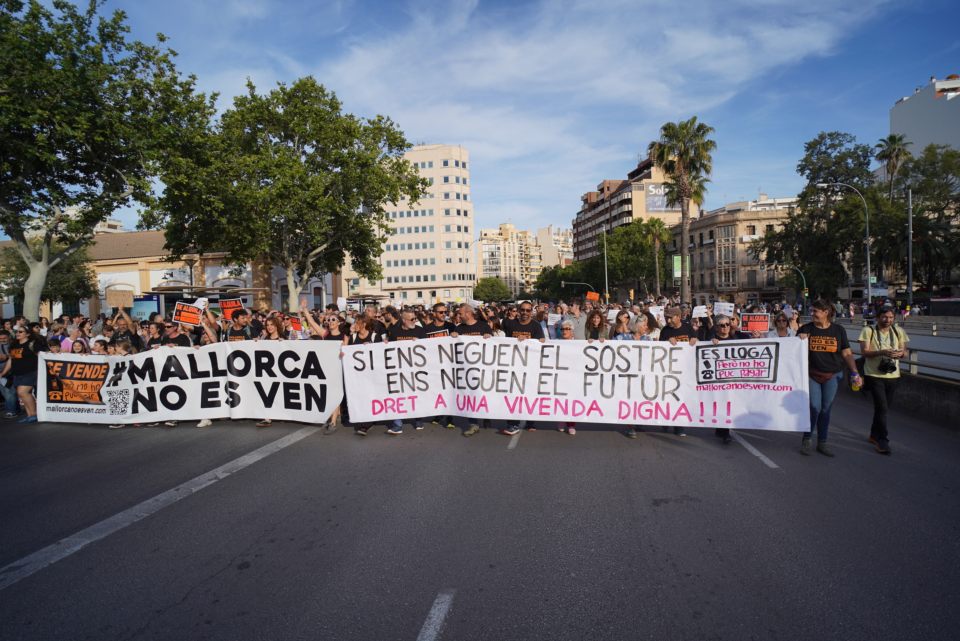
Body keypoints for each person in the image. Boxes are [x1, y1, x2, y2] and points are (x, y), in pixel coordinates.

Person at [798, 299, 861, 457]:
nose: (812, 314)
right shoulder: (806, 329)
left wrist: (855, 372)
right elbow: (793, 350)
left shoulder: (838, 330)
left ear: (826, 312)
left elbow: (846, 353)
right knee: (814, 407)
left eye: (815, 311)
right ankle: (807, 439)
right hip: (812, 374)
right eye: (812, 311)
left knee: (826, 409)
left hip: (832, 375)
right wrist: (799, 339)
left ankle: (823, 442)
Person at [858, 307, 909, 455]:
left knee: (883, 408)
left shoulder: (898, 331)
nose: (888, 320)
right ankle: (883, 441)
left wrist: (900, 353)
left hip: (893, 375)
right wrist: (882, 352)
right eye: (885, 317)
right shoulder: (868, 330)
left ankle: (874, 435)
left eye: (891, 317)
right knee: (882, 408)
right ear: (878, 317)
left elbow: (905, 352)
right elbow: (864, 352)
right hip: (873, 375)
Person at [499, 301, 545, 436]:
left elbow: (541, 343)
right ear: (519, 310)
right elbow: (504, 343)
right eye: (523, 310)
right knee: (513, 395)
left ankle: (531, 422)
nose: (525, 312)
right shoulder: (511, 324)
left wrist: (531, 340)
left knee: (529, 394)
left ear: (532, 312)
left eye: (528, 310)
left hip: (530, 367)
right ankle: (512, 424)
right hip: (513, 366)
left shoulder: (536, 326)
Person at [385, 309, 426, 434]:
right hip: (398, 370)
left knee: (415, 395)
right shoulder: (394, 331)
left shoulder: (420, 331)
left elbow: (428, 349)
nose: (415, 321)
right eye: (412, 319)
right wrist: (384, 343)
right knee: (397, 395)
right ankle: (397, 425)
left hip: (415, 370)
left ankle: (418, 420)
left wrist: (420, 343)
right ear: (404, 320)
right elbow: (387, 348)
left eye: (415, 318)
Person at [658, 306, 696, 437]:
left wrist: (695, 340)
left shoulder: (688, 328)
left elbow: (696, 341)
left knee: (680, 398)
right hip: (669, 370)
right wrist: (666, 342)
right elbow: (658, 349)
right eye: (667, 318)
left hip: (685, 370)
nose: (668, 321)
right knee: (669, 398)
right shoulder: (665, 330)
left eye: (670, 318)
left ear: (678, 317)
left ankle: (679, 426)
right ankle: (666, 419)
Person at [455, 304, 492, 437]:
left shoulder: (483, 326)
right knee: (470, 394)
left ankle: (487, 415)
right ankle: (473, 423)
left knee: (484, 392)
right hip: (467, 369)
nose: (459, 316)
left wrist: (489, 337)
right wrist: (453, 337)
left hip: (483, 367)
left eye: (461, 314)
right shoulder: (459, 328)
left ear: (469, 313)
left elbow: (494, 345)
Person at [0, 325, 43, 423]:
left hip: (30, 372)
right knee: (22, 395)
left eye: (21, 332)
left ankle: (34, 414)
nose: (18, 333)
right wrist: (3, 373)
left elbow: (41, 355)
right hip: (17, 373)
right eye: (17, 332)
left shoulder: (32, 344)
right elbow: (11, 360)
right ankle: (29, 415)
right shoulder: (14, 344)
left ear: (27, 334)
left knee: (22, 392)